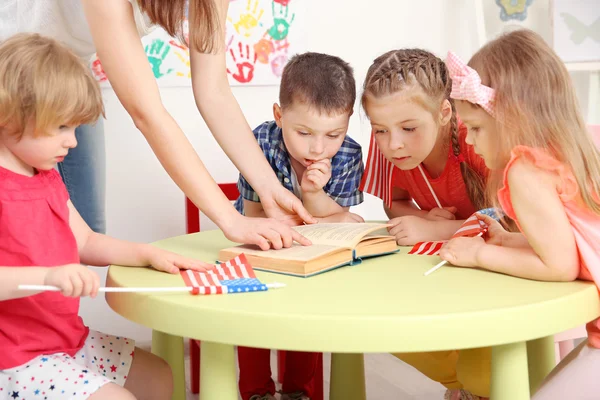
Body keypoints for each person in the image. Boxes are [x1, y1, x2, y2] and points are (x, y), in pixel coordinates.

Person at [0, 33, 216, 400]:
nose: (73, 141)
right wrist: (49, 275)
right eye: (62, 127)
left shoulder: (47, 178)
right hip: (15, 359)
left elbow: (84, 241)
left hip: (65, 339)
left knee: (159, 375)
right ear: (12, 117)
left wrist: (147, 253)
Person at [0, 0, 315, 248]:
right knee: (29, 236)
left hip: (66, 76)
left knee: (88, 231)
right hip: (12, 74)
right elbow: (146, 113)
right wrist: (230, 220)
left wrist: (269, 187)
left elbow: (213, 91)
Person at [440, 29, 600, 400]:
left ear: (513, 117)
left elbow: (559, 266)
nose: (468, 140)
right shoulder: (564, 153)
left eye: (476, 127)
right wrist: (513, 240)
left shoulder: (525, 170)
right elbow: (570, 242)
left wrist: (480, 255)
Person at [236, 52, 364, 400]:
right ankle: (256, 392)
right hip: (258, 251)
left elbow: (339, 222)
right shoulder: (259, 143)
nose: (318, 147)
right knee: (253, 313)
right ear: (279, 116)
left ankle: (299, 392)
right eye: (304, 132)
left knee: (309, 309)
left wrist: (313, 192)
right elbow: (253, 216)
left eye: (333, 134)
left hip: (311, 256)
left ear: (348, 123)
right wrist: (325, 216)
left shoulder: (348, 153)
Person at [360, 48, 488, 247]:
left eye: (409, 128)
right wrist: (424, 217)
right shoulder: (391, 139)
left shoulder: (475, 140)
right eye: (379, 130)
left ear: (444, 113)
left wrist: (435, 230)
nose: (394, 145)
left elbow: (511, 221)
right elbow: (393, 202)